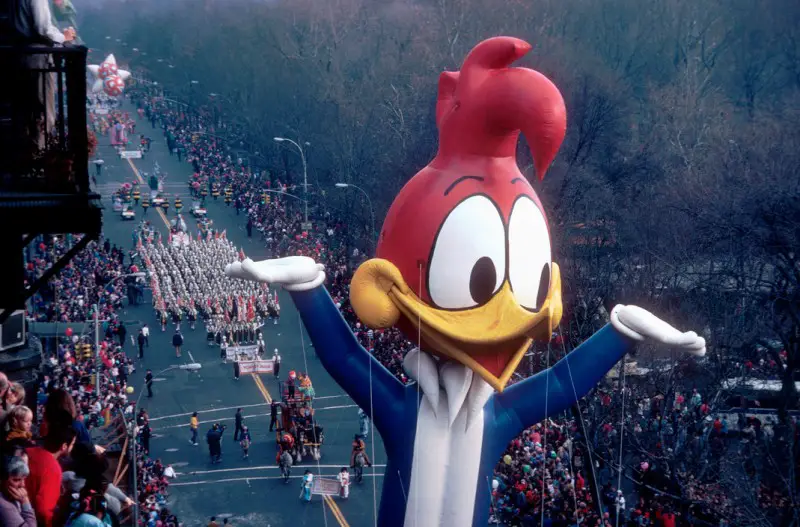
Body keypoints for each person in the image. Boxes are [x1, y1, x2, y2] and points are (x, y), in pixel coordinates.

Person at [26, 419, 77, 526]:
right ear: (64, 446)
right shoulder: (53, 469)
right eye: (72, 444)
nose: (72, 447)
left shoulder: (28, 451)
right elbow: (44, 510)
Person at [0, 455, 35, 527]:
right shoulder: (4, 506)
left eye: (24, 479)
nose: (23, 485)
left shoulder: (9, 495)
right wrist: (25, 502)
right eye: (16, 480)